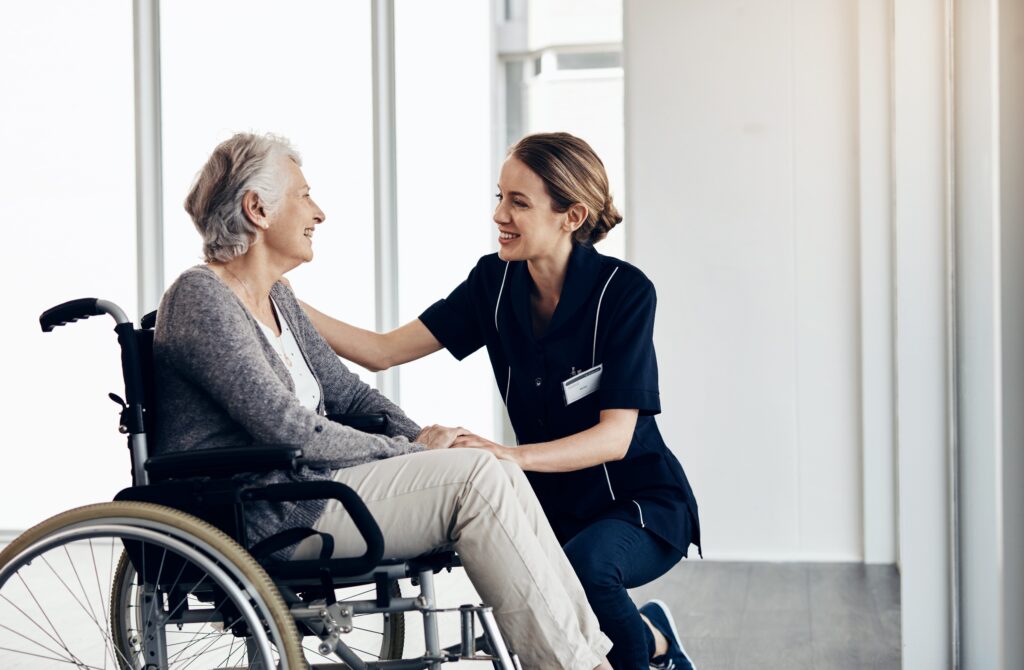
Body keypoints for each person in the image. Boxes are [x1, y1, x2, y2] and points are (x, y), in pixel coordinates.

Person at [152, 132, 615, 670]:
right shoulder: (202, 297)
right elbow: (288, 429)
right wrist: (410, 454)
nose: (318, 212)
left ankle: (588, 658)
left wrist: (421, 438)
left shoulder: (277, 296)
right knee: (478, 480)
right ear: (257, 209)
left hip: (310, 489)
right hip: (268, 510)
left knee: (492, 468)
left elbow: (348, 394)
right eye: (305, 195)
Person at [300, 132, 701, 670]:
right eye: (499, 197)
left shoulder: (624, 292)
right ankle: (653, 640)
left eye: (519, 202)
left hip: (637, 502)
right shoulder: (494, 282)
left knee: (588, 573)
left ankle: (653, 650)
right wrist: (279, 295)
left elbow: (616, 437)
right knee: (550, 603)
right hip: (549, 506)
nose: (499, 216)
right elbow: (382, 351)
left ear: (572, 216)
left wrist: (508, 455)